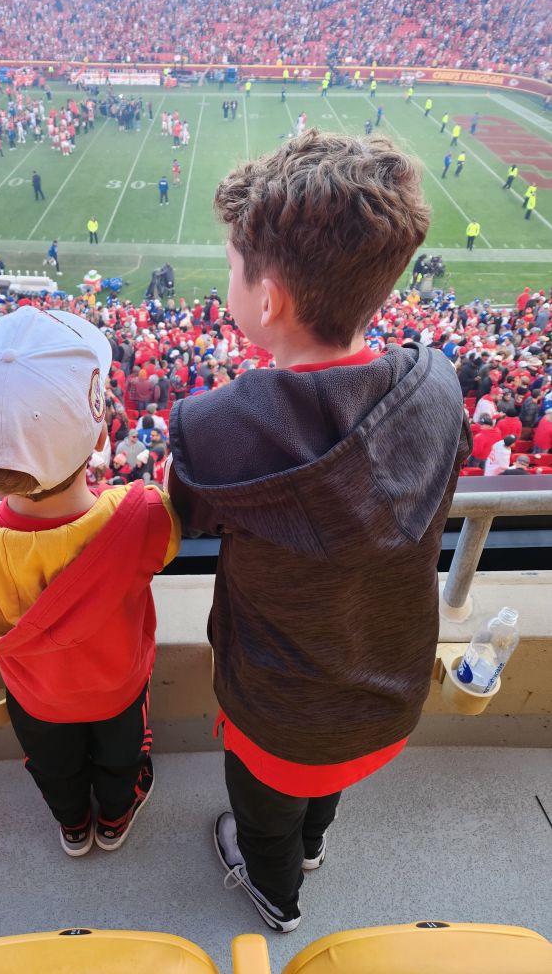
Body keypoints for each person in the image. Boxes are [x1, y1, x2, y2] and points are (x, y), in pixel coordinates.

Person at [167, 129, 469, 933]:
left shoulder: (217, 428)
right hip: (386, 693)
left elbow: (180, 516)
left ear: (268, 301)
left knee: (261, 816)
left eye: (234, 265)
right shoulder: (438, 387)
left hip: (277, 709)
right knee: (321, 787)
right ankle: (311, 844)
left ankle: (279, 894)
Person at [0, 307, 180, 857]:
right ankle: (115, 817)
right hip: (118, 686)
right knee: (122, 758)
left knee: (52, 766)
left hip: (32, 694)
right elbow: (167, 528)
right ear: (101, 429)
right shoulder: (142, 515)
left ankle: (73, 825)